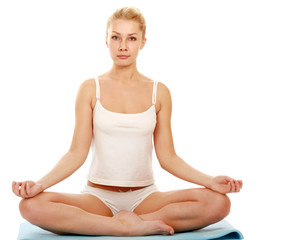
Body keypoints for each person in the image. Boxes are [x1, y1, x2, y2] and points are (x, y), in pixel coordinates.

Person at [12, 6, 243, 236]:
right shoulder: (90, 89)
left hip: (145, 197)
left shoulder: (158, 92)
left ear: (142, 42)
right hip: (97, 197)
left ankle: (129, 221)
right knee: (30, 206)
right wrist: (39, 185)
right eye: (116, 37)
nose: (123, 46)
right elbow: (76, 153)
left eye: (131, 38)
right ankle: (122, 226)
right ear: (106, 40)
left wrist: (210, 180)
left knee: (219, 203)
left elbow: (168, 158)